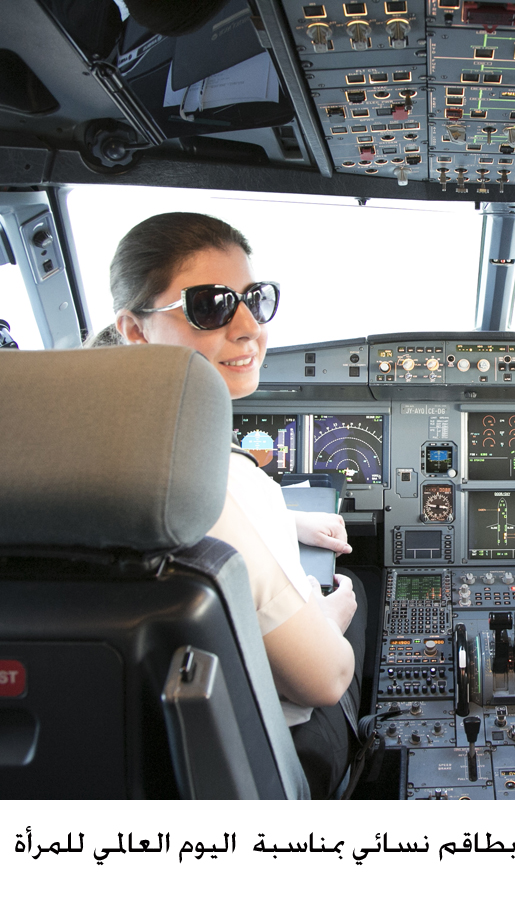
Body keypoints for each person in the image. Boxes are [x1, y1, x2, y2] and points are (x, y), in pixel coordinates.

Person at [111, 212, 365, 797]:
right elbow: (326, 679)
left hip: (135, 730)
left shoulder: (112, 435)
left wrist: (283, 516)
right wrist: (331, 621)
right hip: (254, 749)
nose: (249, 327)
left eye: (254, 298)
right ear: (134, 329)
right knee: (360, 594)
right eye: (210, 305)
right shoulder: (206, 482)